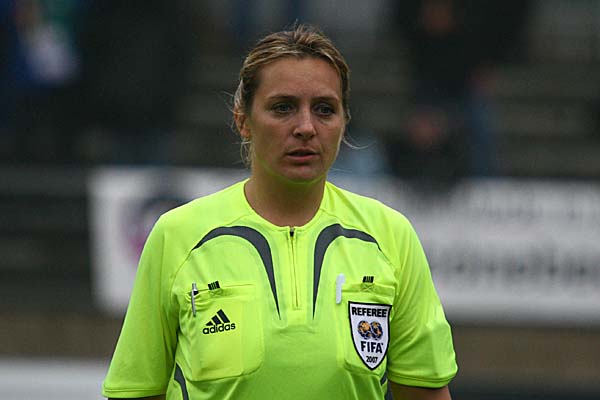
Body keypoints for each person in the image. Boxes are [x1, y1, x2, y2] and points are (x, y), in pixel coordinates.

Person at [102, 24, 457, 400]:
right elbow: (136, 393)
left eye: (324, 109)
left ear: (344, 122)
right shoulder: (178, 235)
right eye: (283, 107)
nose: (305, 127)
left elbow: (426, 393)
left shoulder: (390, 236)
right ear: (243, 120)